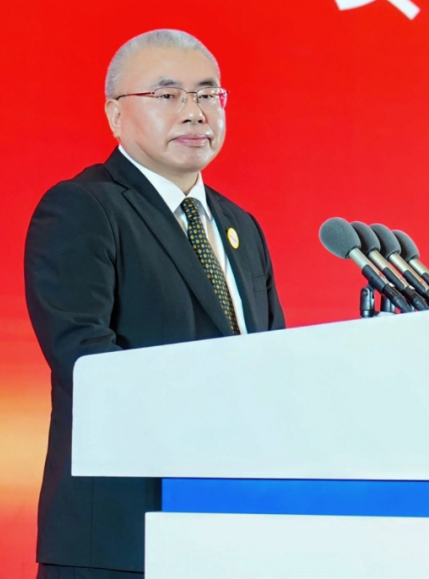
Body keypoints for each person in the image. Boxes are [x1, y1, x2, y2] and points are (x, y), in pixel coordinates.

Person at [25, 29, 285, 577]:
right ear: (115, 115)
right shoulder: (83, 207)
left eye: (208, 94)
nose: (194, 112)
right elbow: (88, 363)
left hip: (233, 527)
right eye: (168, 95)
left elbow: (272, 365)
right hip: (121, 537)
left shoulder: (241, 226)